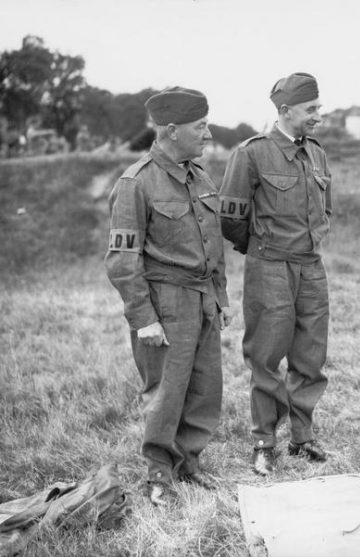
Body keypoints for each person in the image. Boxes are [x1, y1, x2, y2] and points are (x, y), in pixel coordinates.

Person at [105, 86, 232, 504]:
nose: (208, 134)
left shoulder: (201, 178)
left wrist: (220, 298)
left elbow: (214, 245)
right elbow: (123, 261)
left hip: (203, 300)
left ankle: (189, 462)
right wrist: (144, 319)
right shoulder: (135, 183)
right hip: (165, 303)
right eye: (201, 127)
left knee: (203, 389)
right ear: (173, 130)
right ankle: (159, 473)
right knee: (165, 392)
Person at [219, 72, 332, 476]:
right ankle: (264, 441)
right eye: (310, 109)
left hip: (311, 266)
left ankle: (302, 438)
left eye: (318, 107)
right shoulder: (250, 154)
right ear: (285, 111)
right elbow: (231, 218)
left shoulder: (317, 154)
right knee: (266, 357)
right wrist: (263, 248)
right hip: (269, 265)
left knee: (310, 355)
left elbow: (325, 208)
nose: (318, 115)